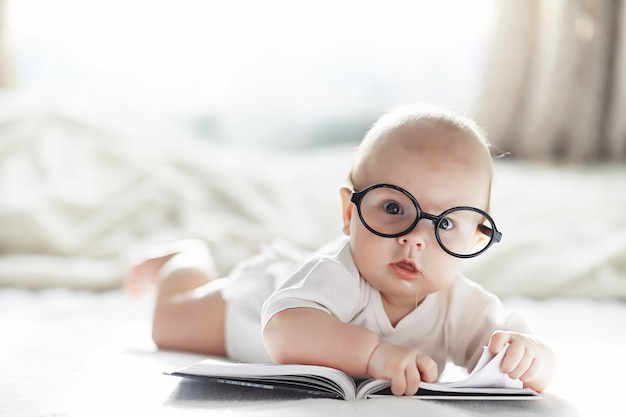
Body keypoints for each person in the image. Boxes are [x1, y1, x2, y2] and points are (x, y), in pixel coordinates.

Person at [125, 104, 556, 396]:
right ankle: (187, 257)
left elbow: (510, 347)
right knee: (169, 323)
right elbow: (282, 331)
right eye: (393, 208)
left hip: (294, 279)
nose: (415, 238)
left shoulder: (461, 305)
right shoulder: (338, 271)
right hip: (250, 308)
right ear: (349, 213)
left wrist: (529, 356)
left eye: (444, 223)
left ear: (478, 236)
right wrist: (375, 354)